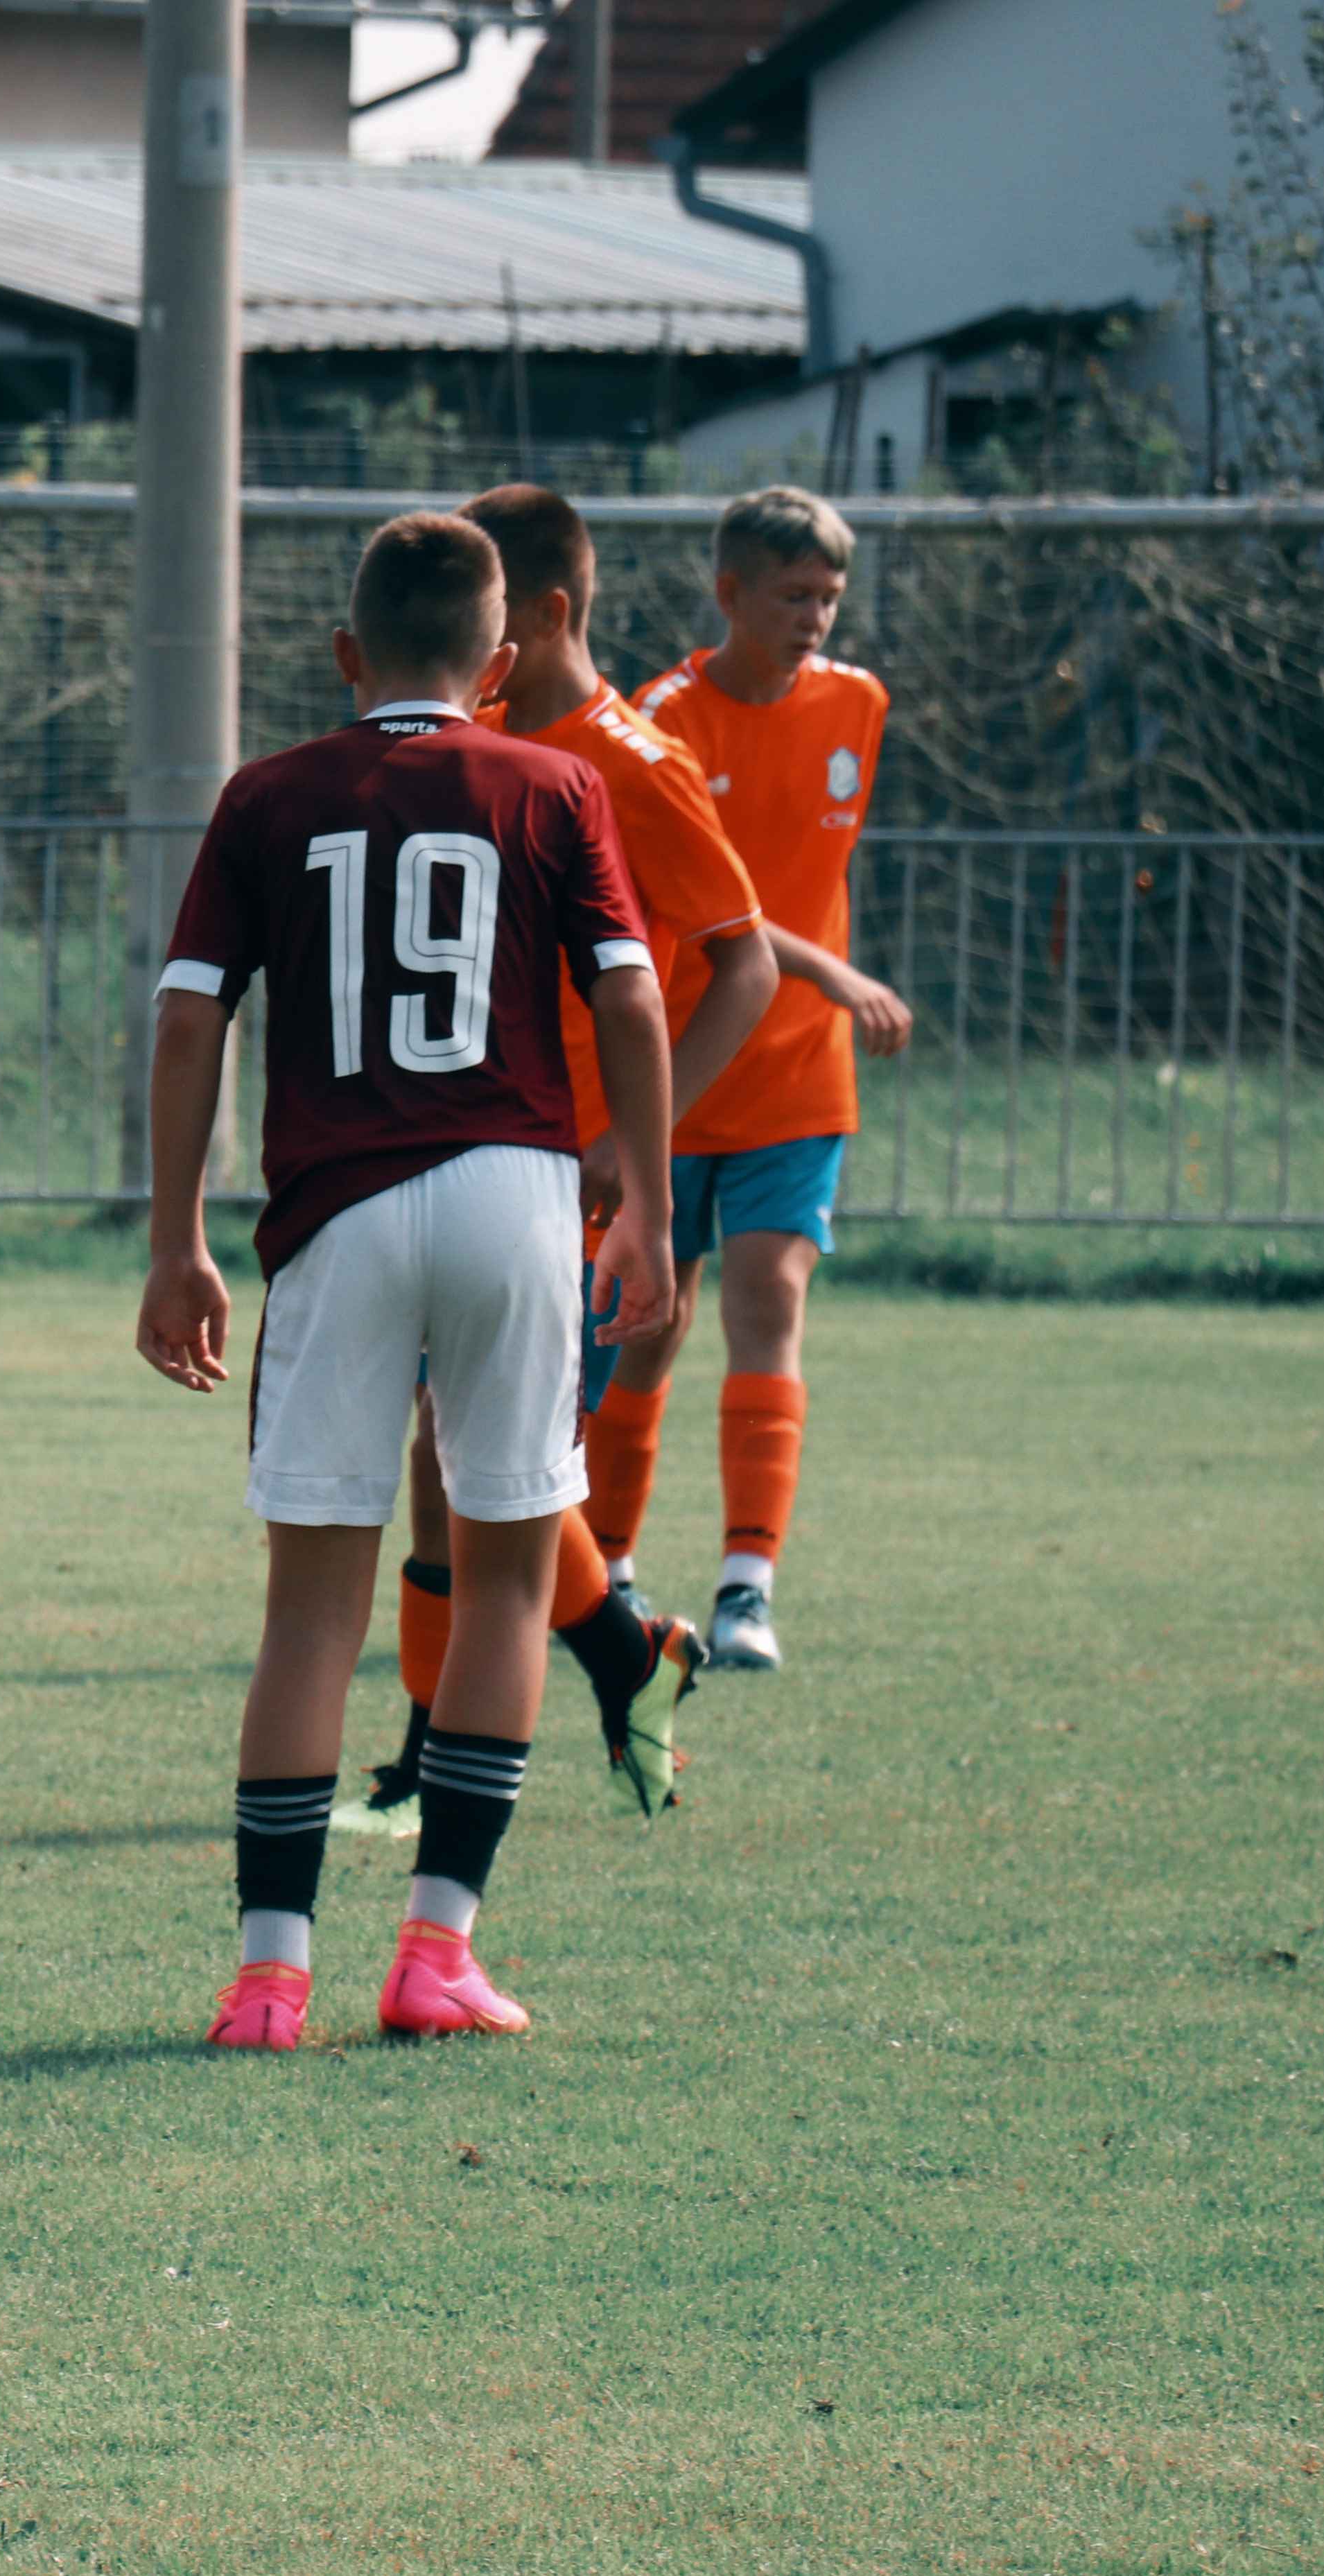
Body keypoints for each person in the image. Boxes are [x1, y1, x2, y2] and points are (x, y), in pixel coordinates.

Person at [140, 512, 677, 2053]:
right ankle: (438, 1952)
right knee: (511, 1574)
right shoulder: (555, 779)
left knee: (314, 1606)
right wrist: (634, 1195)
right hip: (515, 1192)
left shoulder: (267, 795)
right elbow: (630, 994)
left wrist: (176, 1237)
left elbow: (191, 1023)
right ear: (500, 667)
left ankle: (268, 1978)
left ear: (344, 654)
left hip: (337, 1208)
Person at [348, 484, 784, 1837]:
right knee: (456, 1456)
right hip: (474, 1160)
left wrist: (629, 1148)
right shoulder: (470, 746)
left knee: (494, 1467)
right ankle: (576, 1675)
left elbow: (746, 964)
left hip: (563, 1181)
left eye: (492, 614)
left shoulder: (631, 764)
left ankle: (511, 1712)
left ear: (540, 614)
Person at [605, 487, 917, 1672]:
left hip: (798, 1078)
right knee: (651, 1322)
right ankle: (613, 1571)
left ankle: (746, 1590)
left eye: (830, 598)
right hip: (679, 1072)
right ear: (728, 594)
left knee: (769, 1303)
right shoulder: (662, 722)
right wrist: (834, 969)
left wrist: (824, 992)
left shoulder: (859, 706)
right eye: (794, 596)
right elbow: (715, 906)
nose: (816, 619)